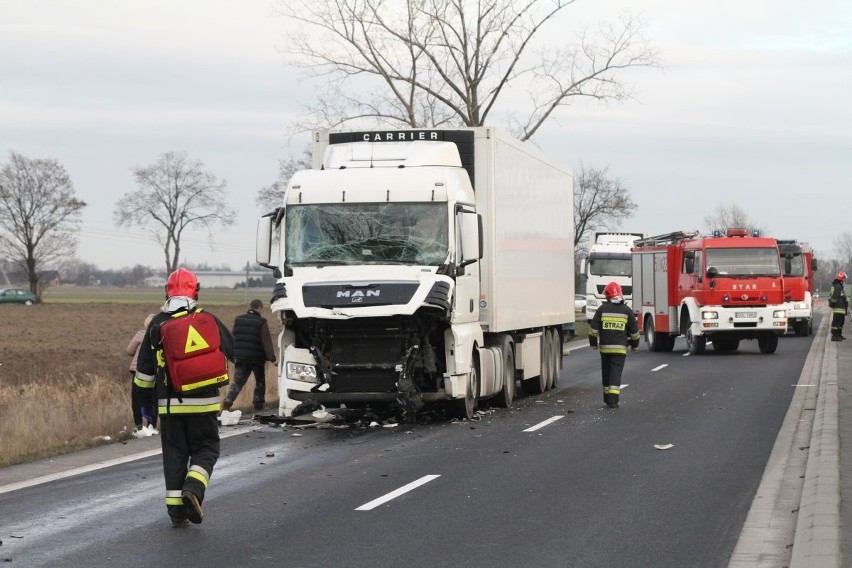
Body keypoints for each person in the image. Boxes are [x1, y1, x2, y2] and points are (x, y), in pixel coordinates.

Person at [134, 267, 235, 527]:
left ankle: (177, 513)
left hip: (170, 408)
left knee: (175, 456)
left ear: (167, 292)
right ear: (196, 291)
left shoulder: (157, 324)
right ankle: (194, 489)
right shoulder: (208, 319)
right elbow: (233, 350)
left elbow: (144, 374)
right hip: (204, 404)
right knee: (207, 448)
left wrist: (144, 412)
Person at [588, 281, 640, 408]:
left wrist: (593, 343)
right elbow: (634, 332)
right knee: (615, 373)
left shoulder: (602, 309)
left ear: (607, 295)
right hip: (620, 350)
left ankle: (607, 398)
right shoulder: (627, 311)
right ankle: (613, 400)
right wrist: (634, 345)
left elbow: (593, 329)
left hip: (605, 349)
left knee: (606, 373)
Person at [222, 299, 276, 412]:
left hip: (240, 357)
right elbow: (266, 342)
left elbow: (233, 338)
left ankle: (228, 400)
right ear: (260, 307)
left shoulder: (239, 320)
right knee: (260, 381)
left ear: (251, 307)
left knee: (238, 382)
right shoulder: (261, 322)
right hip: (257, 358)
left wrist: (232, 355)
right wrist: (272, 358)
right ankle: (258, 405)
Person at [126, 313, 157, 430]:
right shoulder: (162, 336)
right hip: (155, 371)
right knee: (154, 398)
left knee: (137, 397)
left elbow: (129, 351)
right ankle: (151, 424)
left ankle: (138, 424)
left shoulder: (141, 334)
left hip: (138, 370)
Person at [829, 270, 849, 341]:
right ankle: (835, 336)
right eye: (844, 278)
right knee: (837, 323)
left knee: (841, 322)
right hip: (839, 308)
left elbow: (841, 295)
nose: (844, 280)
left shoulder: (838, 286)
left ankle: (839, 335)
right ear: (842, 279)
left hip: (841, 308)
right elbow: (835, 297)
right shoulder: (837, 286)